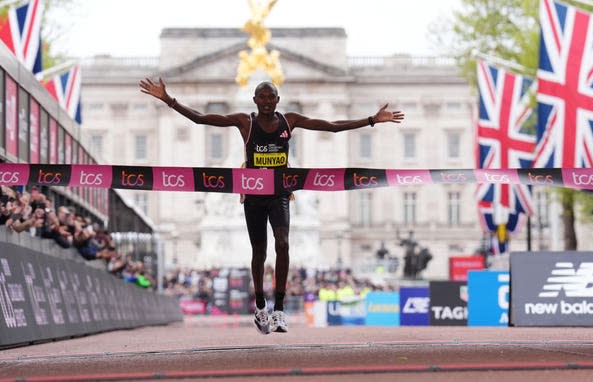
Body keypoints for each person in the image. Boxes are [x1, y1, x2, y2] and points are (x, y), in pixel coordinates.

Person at [139, 77, 404, 334]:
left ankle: (279, 307)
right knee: (259, 251)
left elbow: (332, 126)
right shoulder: (245, 122)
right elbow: (200, 118)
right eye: (262, 97)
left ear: (278, 99)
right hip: (253, 194)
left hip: (279, 192)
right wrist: (167, 99)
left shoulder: (291, 120)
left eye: (271, 97)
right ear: (255, 100)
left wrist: (372, 120)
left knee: (283, 242)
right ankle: (260, 305)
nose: (267, 102)